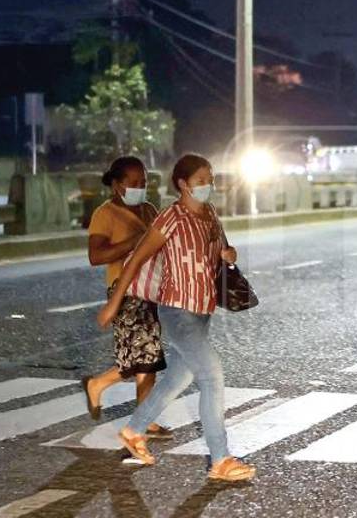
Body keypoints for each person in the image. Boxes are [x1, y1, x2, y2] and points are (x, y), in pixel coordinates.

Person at [96, 153, 256, 483]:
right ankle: (220, 458)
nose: (208, 186)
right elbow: (136, 259)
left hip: (202, 311)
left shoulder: (210, 213)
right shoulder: (170, 218)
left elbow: (223, 251)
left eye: (210, 180)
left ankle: (133, 430)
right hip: (176, 311)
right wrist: (113, 303)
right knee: (212, 376)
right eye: (201, 181)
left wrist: (228, 255)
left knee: (178, 379)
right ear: (183, 184)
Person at [78, 157, 171, 438]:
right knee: (144, 357)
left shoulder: (149, 209)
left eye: (143, 183)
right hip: (125, 292)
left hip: (151, 289)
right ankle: (97, 384)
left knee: (147, 357)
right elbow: (96, 256)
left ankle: (144, 417)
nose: (139, 188)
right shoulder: (105, 214)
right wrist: (134, 242)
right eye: (133, 184)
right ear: (117, 185)